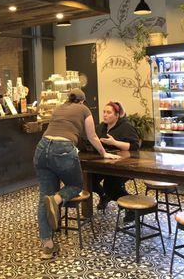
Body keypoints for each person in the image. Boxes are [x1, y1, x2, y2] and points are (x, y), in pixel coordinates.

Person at [34, 89, 120, 259]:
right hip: (63, 149)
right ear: (82, 101)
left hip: (41, 148)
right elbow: (92, 136)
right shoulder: (84, 109)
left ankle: (47, 247)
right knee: (76, 185)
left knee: (44, 196)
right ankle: (56, 199)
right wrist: (104, 153)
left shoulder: (59, 108)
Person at [92, 101, 141, 222]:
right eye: (104, 112)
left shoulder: (126, 127)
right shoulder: (101, 127)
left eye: (108, 112)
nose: (105, 115)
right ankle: (104, 196)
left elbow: (135, 146)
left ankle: (131, 208)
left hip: (123, 165)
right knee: (89, 180)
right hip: (104, 164)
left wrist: (115, 143)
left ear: (117, 115)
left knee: (111, 186)